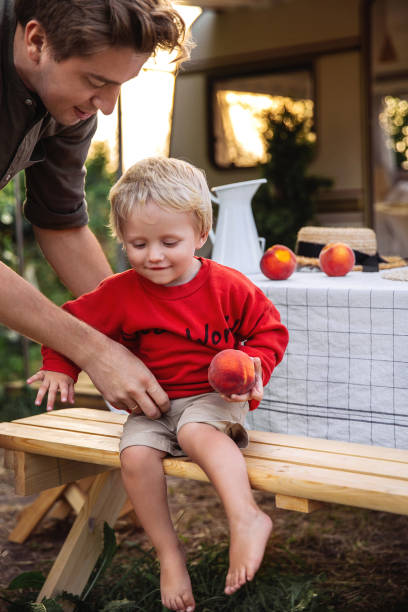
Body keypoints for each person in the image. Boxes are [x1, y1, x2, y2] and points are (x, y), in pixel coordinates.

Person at [29, 157, 289, 612]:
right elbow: (71, 323)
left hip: (214, 399)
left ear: (200, 235)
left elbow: (269, 331)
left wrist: (255, 366)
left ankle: (246, 517)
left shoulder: (227, 287)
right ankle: (169, 554)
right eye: (137, 243)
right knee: (135, 456)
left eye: (170, 242)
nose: (153, 255)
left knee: (193, 431)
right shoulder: (120, 290)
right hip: (154, 408)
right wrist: (59, 367)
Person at [1, 0, 188, 416]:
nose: (106, 105)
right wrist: (94, 349)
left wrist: (133, 331)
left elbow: (61, 224)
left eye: (120, 85)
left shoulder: (70, 108)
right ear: (36, 41)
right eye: (96, 81)